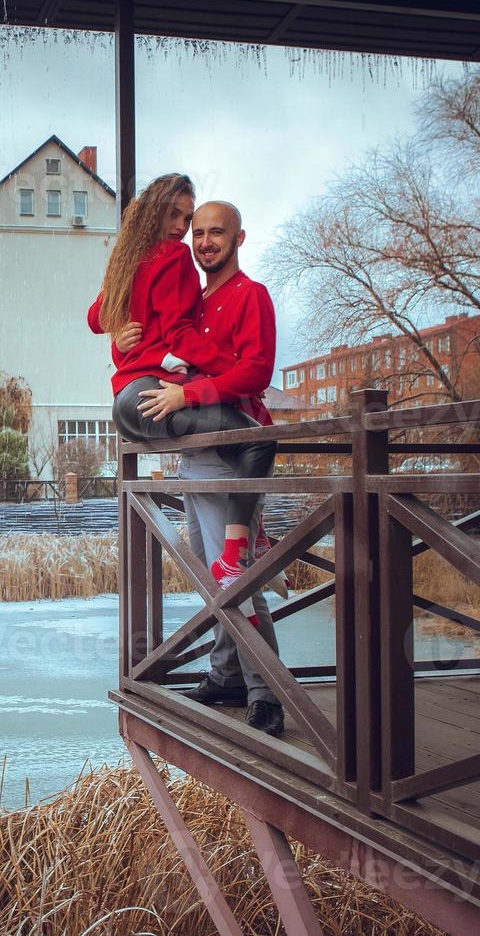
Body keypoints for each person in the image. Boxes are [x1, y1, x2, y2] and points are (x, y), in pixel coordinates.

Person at [121, 200, 284, 736]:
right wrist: (122, 332)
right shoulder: (194, 299)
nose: (204, 241)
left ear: (239, 238)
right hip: (196, 453)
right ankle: (226, 672)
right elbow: (155, 337)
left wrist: (189, 391)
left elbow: (256, 370)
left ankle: (269, 693)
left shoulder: (249, 295)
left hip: (232, 445)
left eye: (217, 232)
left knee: (234, 577)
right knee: (211, 569)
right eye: (198, 232)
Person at [86, 174, 261, 454]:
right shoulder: (175, 255)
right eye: (173, 215)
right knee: (256, 439)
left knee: (227, 448)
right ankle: (250, 499)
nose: (180, 227)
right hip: (156, 391)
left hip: (125, 400)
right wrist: (235, 369)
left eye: (187, 219)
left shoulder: (128, 262)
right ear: (155, 214)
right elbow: (178, 336)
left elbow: (95, 318)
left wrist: (118, 341)